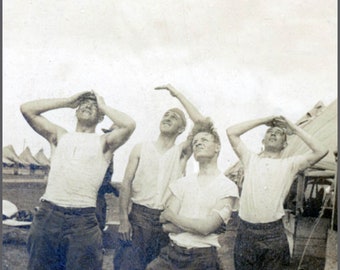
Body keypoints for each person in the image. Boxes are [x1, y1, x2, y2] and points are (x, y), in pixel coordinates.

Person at [21, 91, 136, 270]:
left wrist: (103, 105)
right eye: (83, 103)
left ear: (101, 116)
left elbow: (129, 125)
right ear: (76, 110)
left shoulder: (105, 142)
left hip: (84, 222)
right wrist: (67, 101)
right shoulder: (59, 135)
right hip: (49, 215)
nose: (88, 106)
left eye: (94, 105)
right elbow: (27, 109)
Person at [114, 84, 204, 270]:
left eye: (175, 117)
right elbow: (126, 184)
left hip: (165, 221)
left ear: (181, 130)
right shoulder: (141, 148)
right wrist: (123, 219)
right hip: (138, 218)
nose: (168, 117)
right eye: (166, 115)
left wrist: (178, 94)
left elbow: (202, 124)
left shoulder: (181, 152)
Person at [226, 115, 328, 270]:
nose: (273, 134)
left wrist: (292, 128)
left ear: (285, 144)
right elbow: (231, 132)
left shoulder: (290, 164)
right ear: (263, 141)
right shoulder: (250, 160)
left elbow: (322, 150)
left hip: (273, 233)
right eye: (269, 132)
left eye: (279, 133)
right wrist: (263, 120)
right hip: (245, 231)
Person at [146, 120, 239, 270]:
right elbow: (166, 224)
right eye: (195, 141)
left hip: (202, 258)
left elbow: (205, 227)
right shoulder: (182, 183)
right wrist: (201, 227)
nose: (197, 143)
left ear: (217, 147)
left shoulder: (227, 187)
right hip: (172, 254)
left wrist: (175, 218)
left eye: (204, 140)